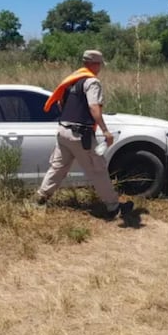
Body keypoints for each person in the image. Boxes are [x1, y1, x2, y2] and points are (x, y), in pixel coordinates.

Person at [33, 50, 134, 218]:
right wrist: (105, 130)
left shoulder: (72, 80)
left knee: (58, 168)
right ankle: (114, 208)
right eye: (100, 64)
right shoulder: (91, 82)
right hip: (80, 135)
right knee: (98, 170)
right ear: (94, 64)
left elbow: (60, 105)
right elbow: (93, 107)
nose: (100, 68)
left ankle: (40, 198)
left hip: (63, 131)